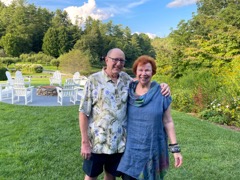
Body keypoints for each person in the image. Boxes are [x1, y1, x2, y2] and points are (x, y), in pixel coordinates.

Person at [79, 48, 171, 180]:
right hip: (97, 142)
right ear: (106, 60)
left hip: (119, 144)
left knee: (110, 175)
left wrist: (163, 85)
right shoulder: (93, 80)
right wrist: (85, 142)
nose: (118, 63)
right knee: (91, 175)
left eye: (121, 60)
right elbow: (83, 112)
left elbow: (144, 81)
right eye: (115, 60)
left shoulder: (127, 80)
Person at [117, 55, 183, 180]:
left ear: (153, 72)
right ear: (135, 72)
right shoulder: (128, 90)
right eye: (140, 70)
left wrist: (176, 150)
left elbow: (168, 121)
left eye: (147, 70)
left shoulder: (162, 93)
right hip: (131, 151)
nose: (143, 73)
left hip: (152, 151)